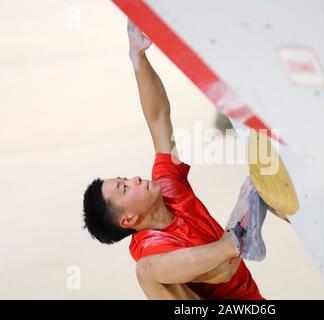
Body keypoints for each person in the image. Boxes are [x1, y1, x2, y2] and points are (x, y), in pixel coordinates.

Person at [82, 21, 266, 300]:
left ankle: (236, 238)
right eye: (124, 188)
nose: (134, 179)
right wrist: (239, 225)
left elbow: (158, 119)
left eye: (124, 178)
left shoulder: (167, 185)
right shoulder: (151, 250)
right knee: (145, 272)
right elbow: (223, 272)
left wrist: (138, 58)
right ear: (129, 219)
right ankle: (236, 238)